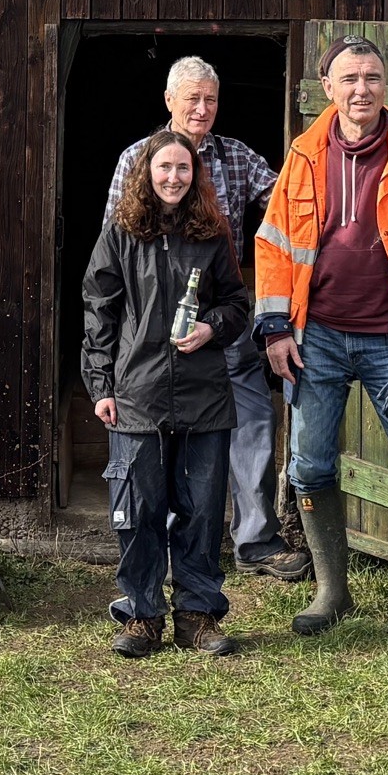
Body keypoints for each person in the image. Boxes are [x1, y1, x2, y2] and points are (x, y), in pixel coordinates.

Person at [252, 34, 388, 660]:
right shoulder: (303, 154)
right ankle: (332, 592)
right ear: (328, 87)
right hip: (316, 337)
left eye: (372, 77)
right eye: (349, 79)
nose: (361, 90)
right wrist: (275, 329)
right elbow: (273, 246)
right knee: (309, 466)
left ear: (385, 85)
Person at [104, 58, 292, 578]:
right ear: (169, 100)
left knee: (254, 418)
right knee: (166, 436)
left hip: (223, 317)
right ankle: (169, 549)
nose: (202, 109)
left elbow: (288, 200)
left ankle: (255, 539)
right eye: (192, 98)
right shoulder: (138, 158)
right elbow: (112, 254)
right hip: (158, 330)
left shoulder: (236, 156)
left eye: (211, 99)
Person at [83, 130, 253, 658]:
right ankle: (142, 616)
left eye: (183, 168)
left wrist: (211, 328)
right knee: (138, 509)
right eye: (165, 167)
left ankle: (197, 616)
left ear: (195, 175)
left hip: (204, 394)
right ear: (146, 173)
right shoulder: (122, 232)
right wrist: (100, 384)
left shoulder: (213, 233)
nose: (174, 177)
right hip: (137, 391)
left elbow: (236, 305)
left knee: (202, 509)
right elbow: (98, 309)